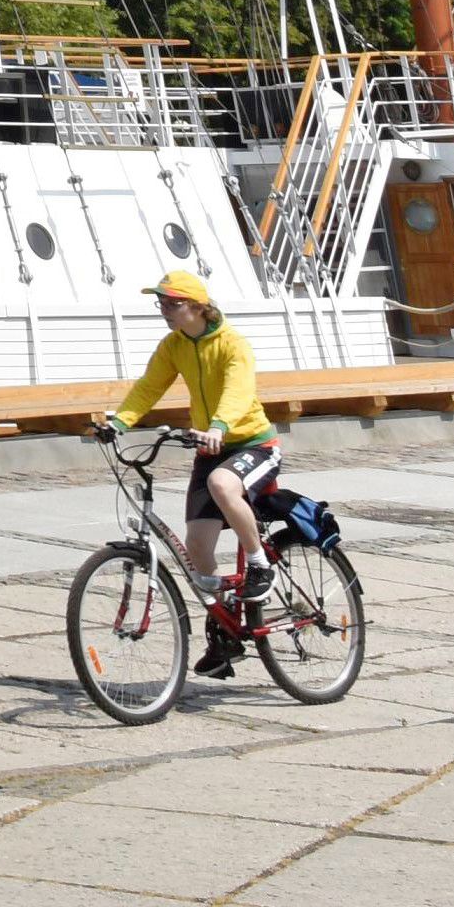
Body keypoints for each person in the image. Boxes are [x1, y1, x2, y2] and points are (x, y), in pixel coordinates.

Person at [103, 266, 281, 677]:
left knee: (222, 483)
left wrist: (219, 426)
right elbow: (150, 386)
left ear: (198, 306)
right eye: (160, 303)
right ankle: (225, 632)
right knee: (197, 547)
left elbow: (239, 391)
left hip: (253, 444)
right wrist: (118, 423)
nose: (165, 310)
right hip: (209, 445)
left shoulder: (232, 344)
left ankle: (259, 564)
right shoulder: (174, 345)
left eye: (172, 303)